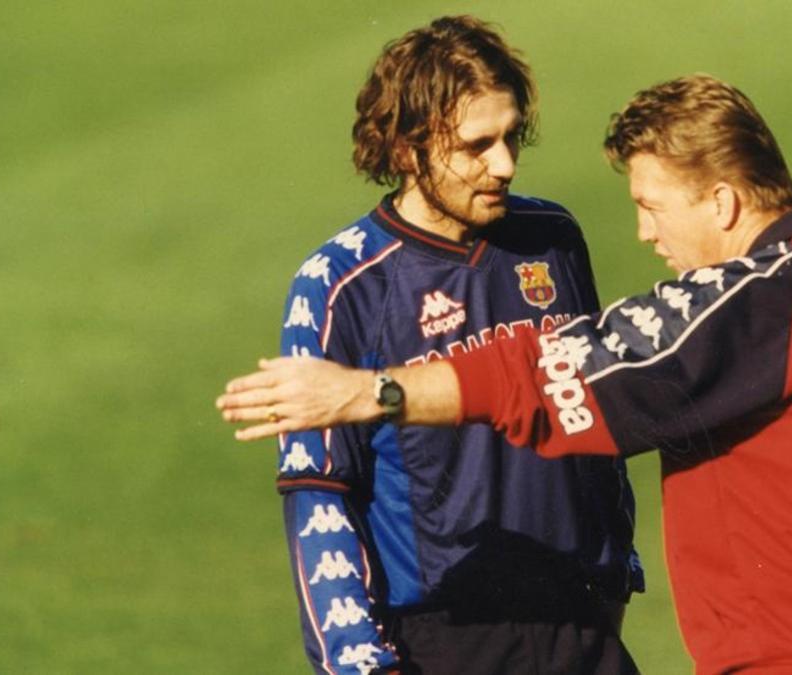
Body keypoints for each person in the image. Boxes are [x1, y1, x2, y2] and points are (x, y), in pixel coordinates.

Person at [220, 74, 792, 674]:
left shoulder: (761, 295)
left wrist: (373, 390)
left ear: (722, 201)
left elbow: (559, 372)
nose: (643, 233)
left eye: (652, 204)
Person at [254, 16, 642, 675]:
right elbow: (318, 486)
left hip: (579, 627)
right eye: (476, 145)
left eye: (512, 136)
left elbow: (597, 418)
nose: (505, 165)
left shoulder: (552, 238)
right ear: (408, 149)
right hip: (443, 638)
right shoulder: (340, 286)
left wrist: (616, 568)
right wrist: (357, 660)